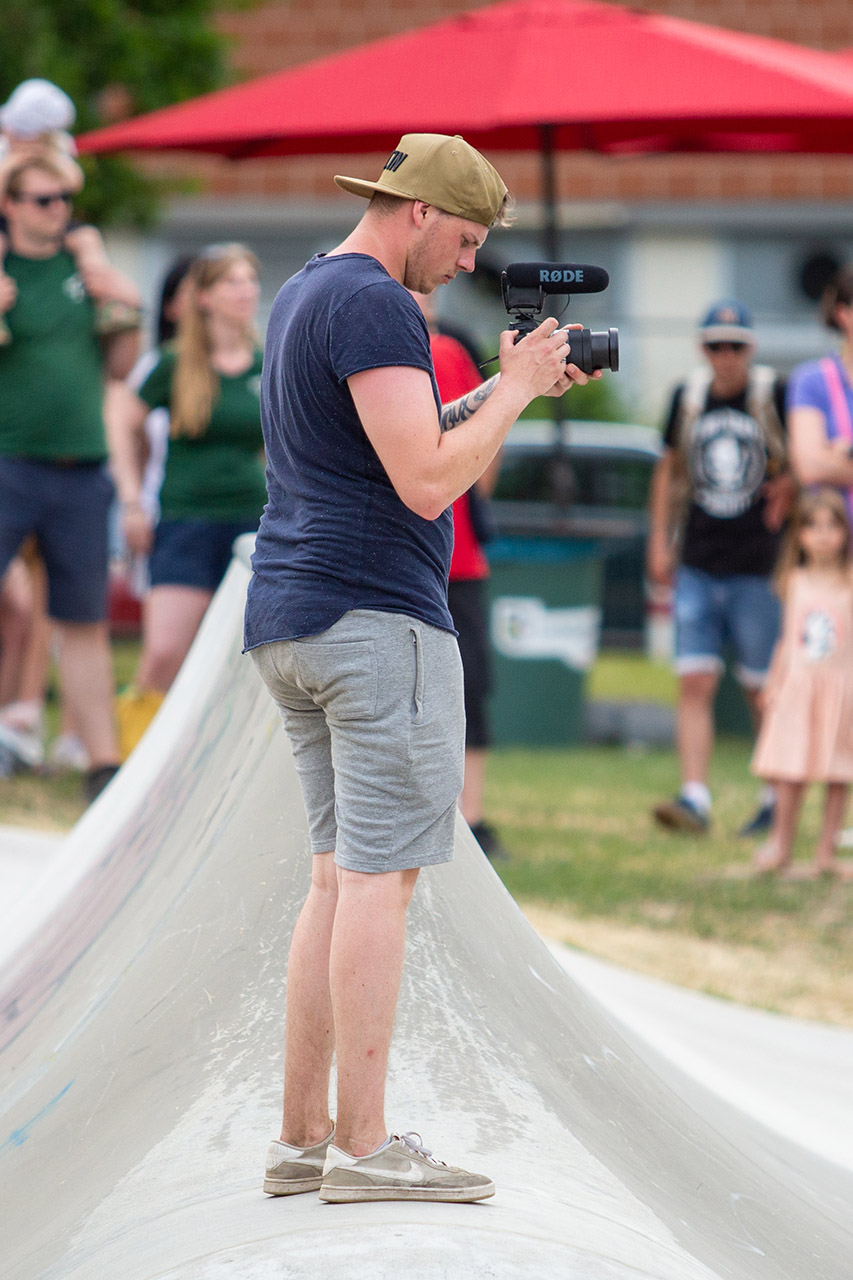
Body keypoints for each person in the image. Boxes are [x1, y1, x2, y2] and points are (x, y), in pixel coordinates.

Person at [244, 132, 594, 1204]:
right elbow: (429, 483)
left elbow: (386, 442)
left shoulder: (307, 291)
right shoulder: (381, 305)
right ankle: (366, 1144)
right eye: (467, 239)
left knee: (332, 878)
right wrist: (522, 389)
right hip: (372, 620)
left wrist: (496, 386)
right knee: (378, 885)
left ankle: (303, 1137)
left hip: (293, 617)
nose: (466, 262)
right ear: (419, 215)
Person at [0, 155, 140, 801]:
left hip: (81, 468)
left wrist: (124, 307)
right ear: (11, 204)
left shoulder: (84, 272)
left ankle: (102, 766)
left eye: (62, 200)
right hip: (9, 461)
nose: (56, 211)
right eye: (40, 200)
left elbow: (119, 369)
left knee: (82, 619)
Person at [108, 243, 266, 754]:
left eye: (250, 281)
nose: (246, 291)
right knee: (164, 652)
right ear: (203, 297)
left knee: (249, 656)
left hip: (252, 522)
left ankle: (218, 754)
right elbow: (120, 419)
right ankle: (136, 757)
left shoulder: (268, 361)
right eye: (232, 282)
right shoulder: (176, 363)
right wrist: (132, 501)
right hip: (186, 519)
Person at [647, 299, 794, 835]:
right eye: (715, 346)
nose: (725, 356)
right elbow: (668, 471)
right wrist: (659, 543)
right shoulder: (688, 398)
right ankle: (695, 797)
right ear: (702, 349)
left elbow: (801, 462)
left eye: (734, 346)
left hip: (760, 564)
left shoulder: (772, 394)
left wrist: (792, 486)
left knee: (762, 687)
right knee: (695, 679)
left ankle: (775, 795)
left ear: (750, 350)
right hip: (699, 560)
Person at [412, 289, 506, 859]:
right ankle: (438, 813)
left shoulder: (449, 351)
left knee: (470, 683)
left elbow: (482, 432)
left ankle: (471, 817)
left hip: (458, 553)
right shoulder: (377, 350)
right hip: (411, 553)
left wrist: (473, 501)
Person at [751, 490, 853, 878]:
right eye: (813, 526)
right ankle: (782, 845)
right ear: (800, 535)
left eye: (833, 525)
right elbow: (787, 639)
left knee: (838, 772)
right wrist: (775, 682)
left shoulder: (849, 582)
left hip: (839, 691)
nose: (824, 535)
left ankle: (826, 853)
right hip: (799, 688)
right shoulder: (793, 581)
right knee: (790, 773)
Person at [0, 78, 142, 344]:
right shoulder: (5, 151)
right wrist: (16, 161)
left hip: (50, 222)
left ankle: (106, 302)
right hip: (10, 219)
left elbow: (73, 181)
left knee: (88, 241)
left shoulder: (58, 149)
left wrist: (46, 157)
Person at [787, 264, 853, 517]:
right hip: (832, 546)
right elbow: (810, 467)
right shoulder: (812, 380)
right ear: (842, 313)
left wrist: (842, 452)